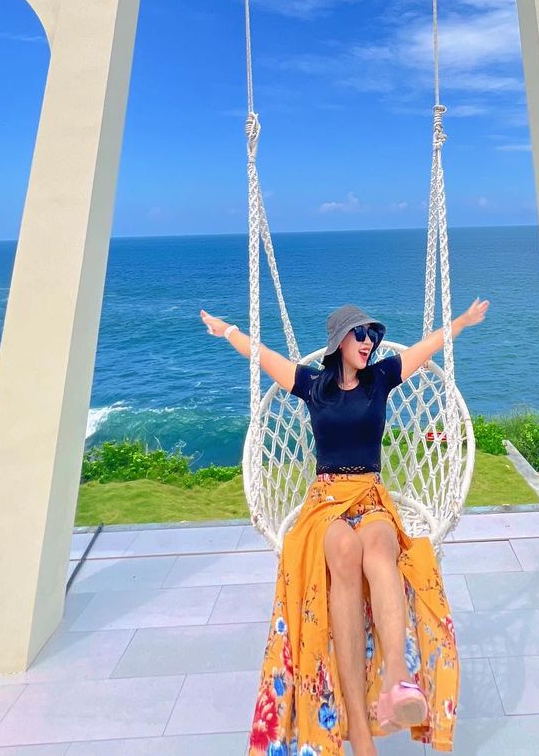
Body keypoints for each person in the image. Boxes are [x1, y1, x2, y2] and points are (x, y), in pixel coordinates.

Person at [201, 296, 490, 756]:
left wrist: (463, 321)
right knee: (344, 554)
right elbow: (263, 357)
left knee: (380, 551)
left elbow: (425, 348)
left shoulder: (381, 379)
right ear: (339, 340)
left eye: (373, 335)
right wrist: (228, 331)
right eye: (361, 334)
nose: (370, 342)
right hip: (324, 500)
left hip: (371, 494)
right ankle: (357, 725)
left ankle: (398, 677)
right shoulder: (312, 385)